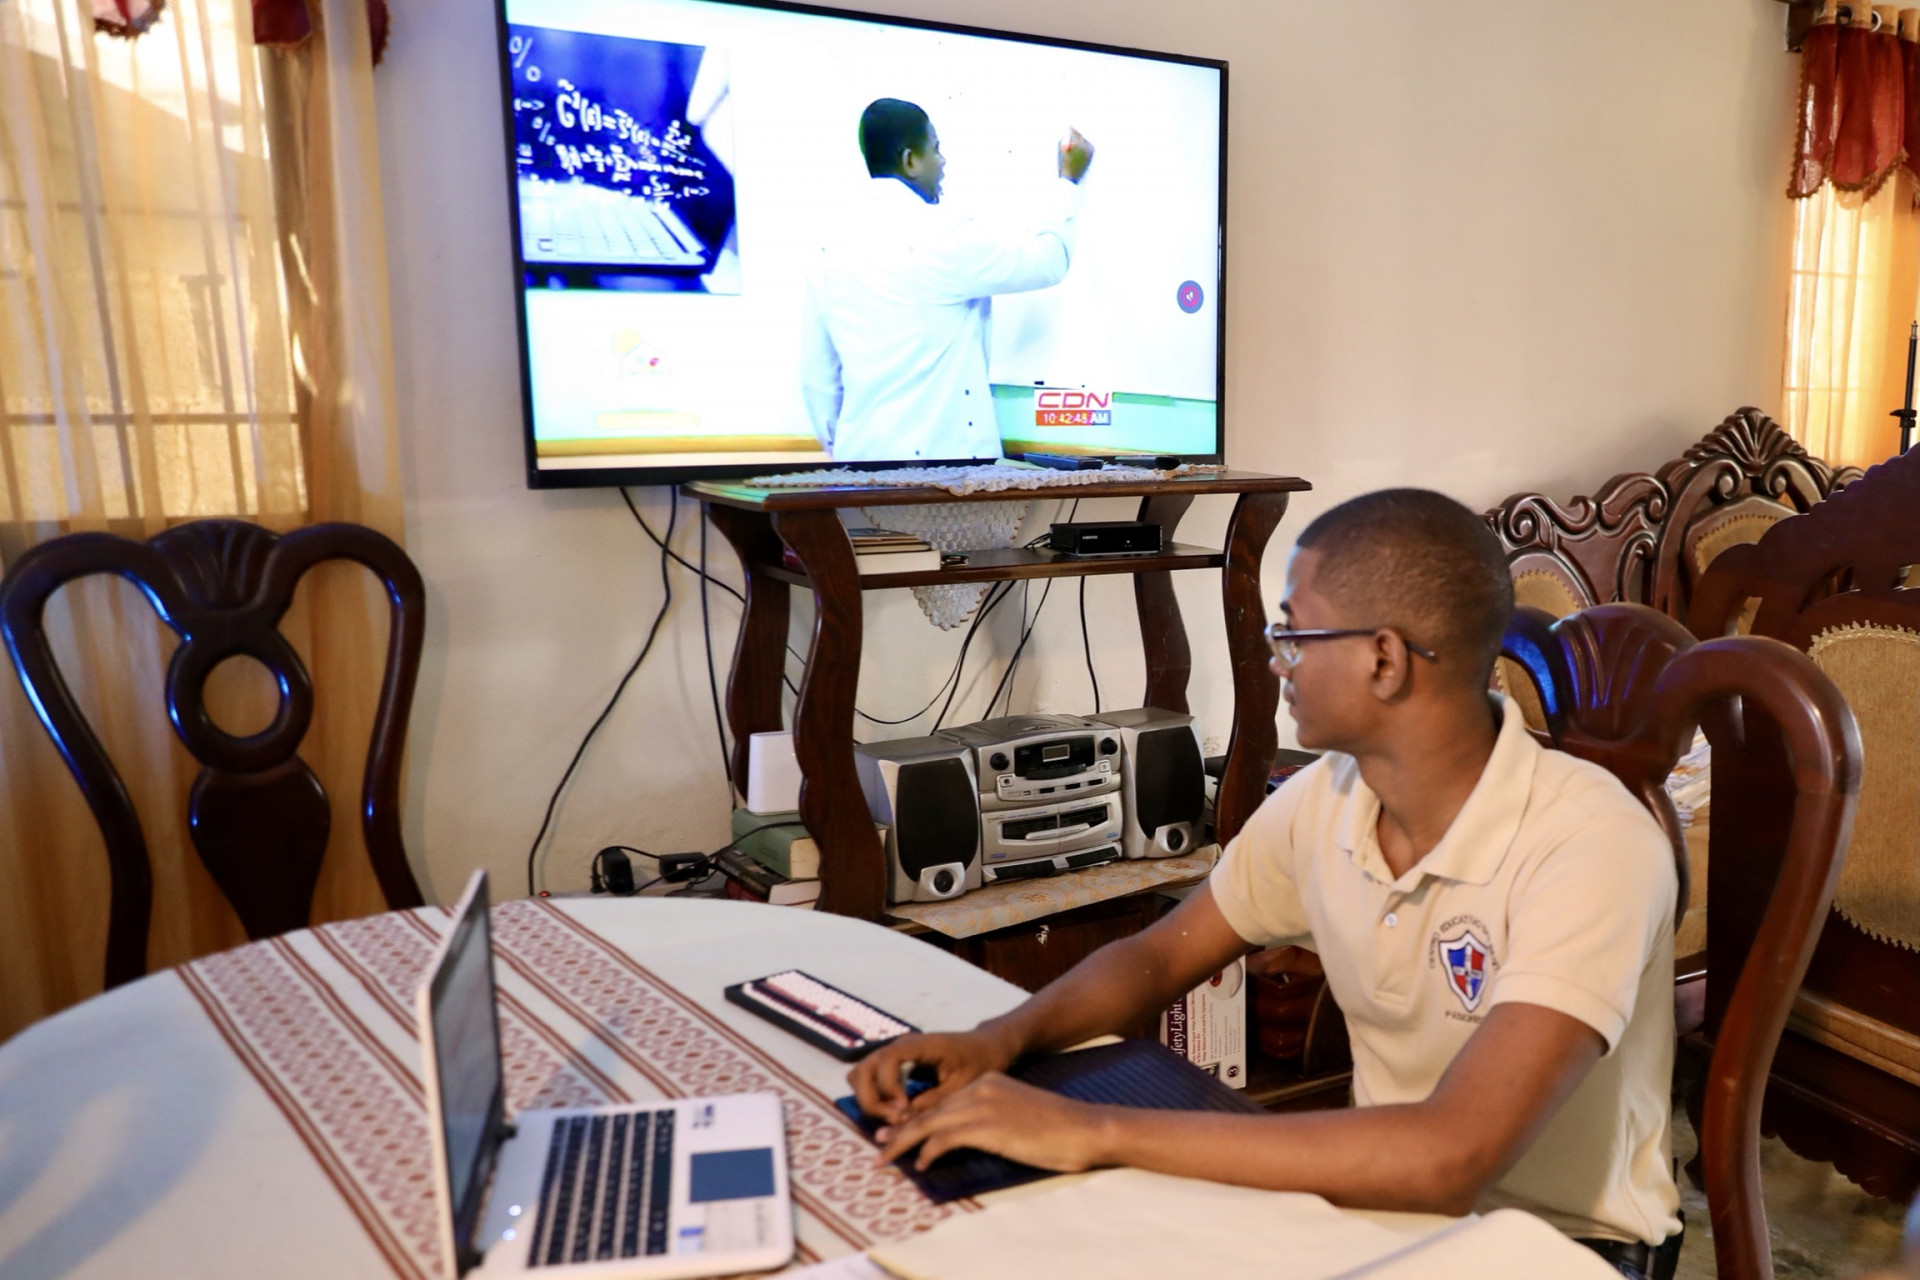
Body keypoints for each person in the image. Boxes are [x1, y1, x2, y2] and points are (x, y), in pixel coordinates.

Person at [850, 489, 1686, 1280]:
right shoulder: (1327, 798)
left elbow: (1449, 1159)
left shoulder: (1590, 844)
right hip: (1381, 1211)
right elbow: (1156, 958)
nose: (1275, 659)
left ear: (1384, 660)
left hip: (1564, 1247)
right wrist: (1000, 1039)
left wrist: (1091, 1129)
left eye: (1293, 634)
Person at [798, 98, 1094, 462]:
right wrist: (1069, 183)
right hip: (945, 469)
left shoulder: (828, 248)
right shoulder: (943, 235)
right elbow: (1047, 262)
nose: (943, 162)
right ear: (910, 160)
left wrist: (846, 451)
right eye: (935, 149)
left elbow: (817, 379)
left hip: (859, 465)